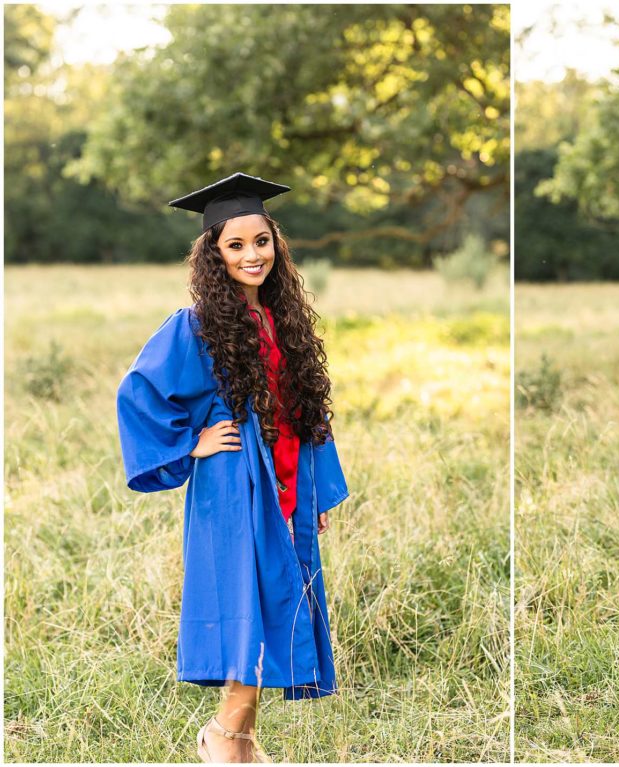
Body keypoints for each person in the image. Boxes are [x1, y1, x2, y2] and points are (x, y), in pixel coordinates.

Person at [116, 172, 350, 763]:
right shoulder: (193, 325)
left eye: (261, 241)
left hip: (288, 478)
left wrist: (313, 493)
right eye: (236, 245)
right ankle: (223, 736)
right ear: (214, 255)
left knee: (278, 599)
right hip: (233, 482)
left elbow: (306, 412)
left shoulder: (282, 320)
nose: (253, 255)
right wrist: (191, 443)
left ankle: (237, 740)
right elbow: (138, 392)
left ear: (276, 243)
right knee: (249, 601)